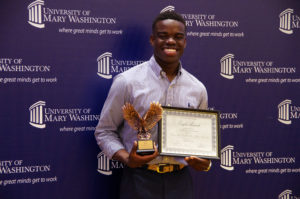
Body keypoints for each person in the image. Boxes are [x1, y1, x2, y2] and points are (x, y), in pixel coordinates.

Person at [95, 11, 211, 199]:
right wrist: (127, 159)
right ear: (152, 40)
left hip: (181, 182)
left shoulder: (197, 89)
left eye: (178, 37)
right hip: (139, 179)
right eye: (163, 36)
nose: (171, 41)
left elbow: (201, 142)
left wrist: (204, 161)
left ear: (185, 42)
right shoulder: (127, 81)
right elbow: (104, 131)